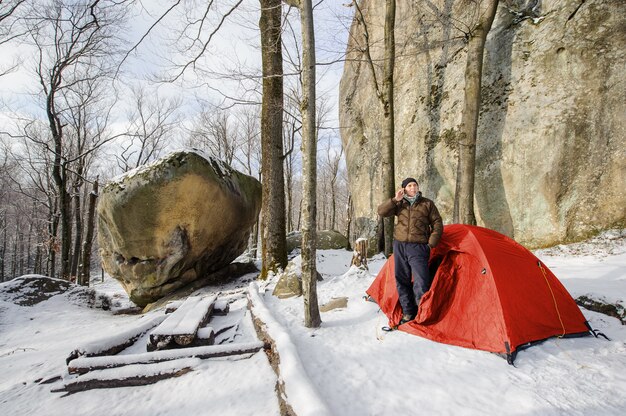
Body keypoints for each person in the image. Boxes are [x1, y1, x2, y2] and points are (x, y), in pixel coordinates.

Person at [377, 177, 443, 325]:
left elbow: (437, 223)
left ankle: (422, 313)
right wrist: (394, 200)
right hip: (400, 246)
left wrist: (430, 244)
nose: (413, 188)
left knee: (421, 281)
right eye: (409, 186)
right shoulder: (399, 203)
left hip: (419, 247)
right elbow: (381, 211)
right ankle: (408, 312)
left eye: (415, 185)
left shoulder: (427, 203)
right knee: (402, 279)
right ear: (404, 189)